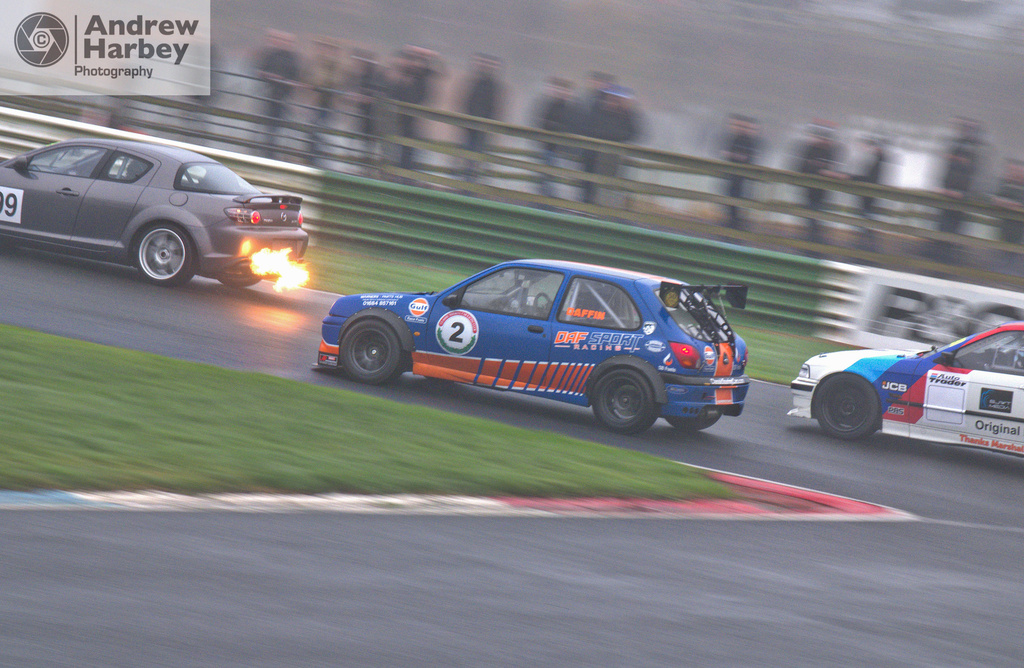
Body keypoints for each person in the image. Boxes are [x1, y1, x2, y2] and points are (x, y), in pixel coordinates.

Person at [582, 85, 642, 209]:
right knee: (589, 182)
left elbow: (634, 133)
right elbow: (589, 129)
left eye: (616, 99)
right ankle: (587, 207)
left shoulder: (627, 115)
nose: (612, 102)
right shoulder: (596, 111)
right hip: (593, 153)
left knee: (611, 184)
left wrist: (612, 136)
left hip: (615, 156)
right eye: (610, 99)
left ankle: (606, 209)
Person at [935, 117, 983, 265]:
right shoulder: (957, 145)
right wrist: (943, 187)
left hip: (962, 197)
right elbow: (948, 167)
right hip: (948, 192)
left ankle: (948, 261)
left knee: (955, 228)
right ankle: (939, 259)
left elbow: (977, 175)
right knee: (943, 226)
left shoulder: (976, 149)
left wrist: (965, 194)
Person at [795, 121, 844, 252]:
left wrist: (821, 169)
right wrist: (819, 170)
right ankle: (810, 240)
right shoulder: (810, 149)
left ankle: (814, 241)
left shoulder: (832, 151)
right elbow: (802, 167)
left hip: (823, 189)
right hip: (810, 187)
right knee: (809, 213)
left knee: (818, 213)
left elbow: (833, 168)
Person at [457, 54, 506, 183]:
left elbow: (493, 106)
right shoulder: (475, 81)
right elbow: (467, 101)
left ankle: (471, 181)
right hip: (471, 125)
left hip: (482, 126)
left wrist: (487, 123)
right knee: (469, 152)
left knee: (476, 153)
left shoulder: (491, 85)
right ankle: (467, 180)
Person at [255, 30, 301, 160]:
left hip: (284, 96)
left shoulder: (292, 58)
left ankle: (273, 151)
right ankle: (267, 149)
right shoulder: (272, 54)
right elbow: (261, 69)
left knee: (278, 125)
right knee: (268, 123)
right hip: (269, 94)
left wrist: (283, 81)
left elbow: (295, 76)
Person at [531, 77, 575, 199]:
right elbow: (541, 121)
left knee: (557, 174)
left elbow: (571, 126)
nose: (560, 92)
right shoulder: (549, 104)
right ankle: (545, 198)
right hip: (548, 145)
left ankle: (554, 199)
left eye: (563, 90)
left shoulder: (571, 108)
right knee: (545, 172)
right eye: (558, 89)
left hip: (563, 148)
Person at [304, 37, 343, 167]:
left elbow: (331, 82)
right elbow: (310, 80)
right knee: (313, 130)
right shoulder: (315, 63)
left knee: (321, 130)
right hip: (314, 102)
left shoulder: (335, 66)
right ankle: (311, 157)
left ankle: (319, 158)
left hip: (327, 104)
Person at [720, 114, 761, 231]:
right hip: (732, 175)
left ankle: (736, 223)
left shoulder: (748, 141)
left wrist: (733, 155)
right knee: (730, 197)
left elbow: (748, 157)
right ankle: (732, 221)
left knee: (738, 198)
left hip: (742, 176)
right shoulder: (735, 138)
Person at [346, 48, 384, 172]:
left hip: (373, 116)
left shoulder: (374, 75)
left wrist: (366, 96)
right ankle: (363, 165)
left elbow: (378, 92)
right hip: (364, 114)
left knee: (369, 142)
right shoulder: (364, 74)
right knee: (364, 141)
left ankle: (367, 166)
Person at [854, 135, 891, 252]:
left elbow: (871, 177)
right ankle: (866, 242)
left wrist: (852, 178)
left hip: (870, 192)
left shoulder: (878, 159)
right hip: (869, 192)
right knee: (866, 215)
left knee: (866, 215)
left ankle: (867, 245)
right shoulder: (878, 158)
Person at [991, 157, 1024, 270]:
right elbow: (994, 198)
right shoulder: (1005, 185)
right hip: (1005, 227)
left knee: (1014, 253)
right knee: (1002, 252)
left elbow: (1020, 204)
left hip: (1019, 229)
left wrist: (1010, 204)